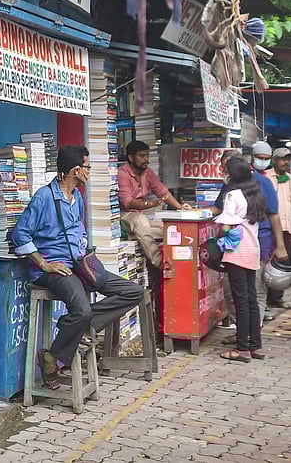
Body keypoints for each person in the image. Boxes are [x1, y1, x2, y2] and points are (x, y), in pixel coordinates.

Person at [12, 145, 143, 389]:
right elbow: (20, 234)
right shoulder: (44, 197)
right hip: (56, 270)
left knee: (133, 291)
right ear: (76, 170)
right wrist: (45, 264)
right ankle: (54, 357)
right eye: (88, 167)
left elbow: (79, 229)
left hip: (80, 264)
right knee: (81, 311)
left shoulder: (78, 197)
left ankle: (81, 329)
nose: (89, 172)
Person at [210, 143, 288, 327]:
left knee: (252, 292)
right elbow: (219, 209)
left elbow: (274, 214)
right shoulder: (230, 187)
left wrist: (280, 245)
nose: (225, 171)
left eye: (228, 167)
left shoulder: (260, 184)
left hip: (255, 244)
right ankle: (246, 333)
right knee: (238, 293)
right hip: (238, 247)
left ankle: (251, 333)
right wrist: (195, 212)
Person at [216, 157, 267, 362]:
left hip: (236, 252)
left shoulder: (232, 195)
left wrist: (218, 237)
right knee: (251, 300)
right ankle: (256, 346)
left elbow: (226, 226)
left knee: (241, 301)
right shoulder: (254, 193)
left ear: (232, 174)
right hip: (252, 250)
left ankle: (242, 349)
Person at [117, 140, 191, 268]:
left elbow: (162, 191)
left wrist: (180, 207)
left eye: (147, 155)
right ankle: (159, 262)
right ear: (131, 157)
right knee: (140, 221)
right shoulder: (122, 173)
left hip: (141, 219)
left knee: (167, 230)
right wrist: (152, 203)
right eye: (142, 156)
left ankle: (178, 260)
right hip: (122, 216)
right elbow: (128, 202)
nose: (146, 159)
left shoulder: (147, 172)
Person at [265, 146, 291, 310]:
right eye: (283, 159)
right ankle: (265, 299)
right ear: (274, 160)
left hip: (287, 228)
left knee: (284, 264)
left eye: (288, 159)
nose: (286, 162)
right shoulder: (266, 178)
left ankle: (277, 297)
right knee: (267, 262)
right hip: (269, 227)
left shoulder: (290, 179)